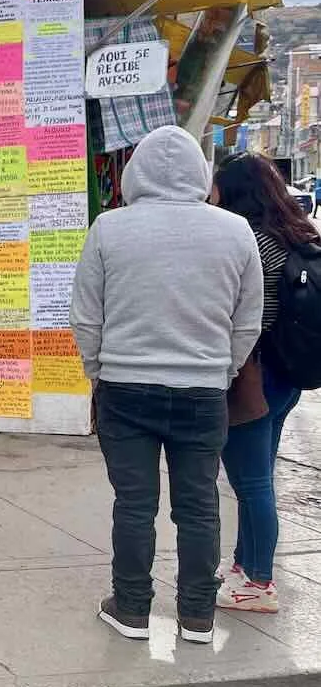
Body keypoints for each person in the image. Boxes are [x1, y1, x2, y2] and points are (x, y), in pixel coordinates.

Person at [71, 126, 263, 645]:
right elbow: (247, 320)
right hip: (202, 391)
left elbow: (86, 316)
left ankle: (131, 607)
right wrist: (220, 371)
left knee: (134, 504)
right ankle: (198, 614)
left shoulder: (110, 228)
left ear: (137, 172)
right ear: (201, 173)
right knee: (199, 504)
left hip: (125, 387)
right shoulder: (236, 231)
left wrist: (98, 369)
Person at [211, 152, 319, 613]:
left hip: (254, 375)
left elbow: (249, 316)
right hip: (288, 373)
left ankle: (258, 582)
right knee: (258, 477)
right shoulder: (295, 234)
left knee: (251, 481)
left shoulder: (247, 240)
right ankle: (244, 566)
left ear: (232, 193)